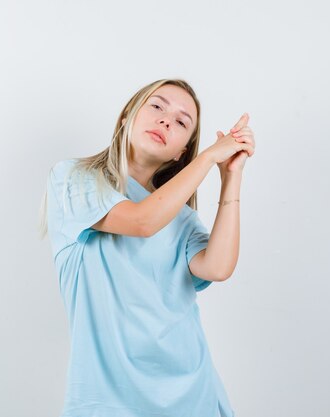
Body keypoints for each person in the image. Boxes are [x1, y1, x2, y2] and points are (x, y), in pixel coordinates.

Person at [38, 78, 256, 417]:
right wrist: (210, 157)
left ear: (180, 152)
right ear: (128, 115)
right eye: (157, 106)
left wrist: (231, 177)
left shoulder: (183, 221)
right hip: (106, 400)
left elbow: (217, 268)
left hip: (193, 397)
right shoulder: (74, 179)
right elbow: (141, 222)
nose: (167, 120)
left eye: (182, 122)